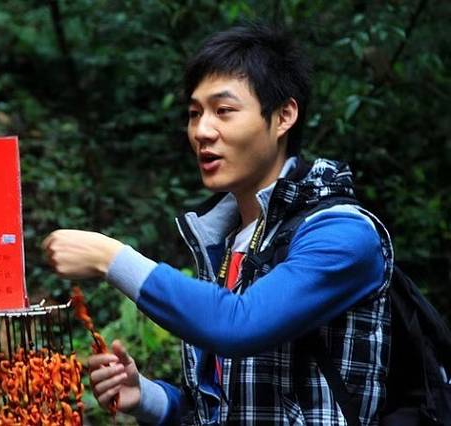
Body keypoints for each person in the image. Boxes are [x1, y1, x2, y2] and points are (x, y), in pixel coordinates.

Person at [43, 22, 393, 425]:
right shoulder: (226, 241)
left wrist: (111, 258)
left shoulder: (343, 234)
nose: (202, 131)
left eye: (223, 111)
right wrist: (148, 398)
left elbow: (239, 325)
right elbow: (224, 408)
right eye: (195, 113)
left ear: (284, 116)